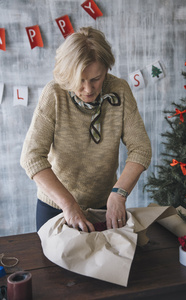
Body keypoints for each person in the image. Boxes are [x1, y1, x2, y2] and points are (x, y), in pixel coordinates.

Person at [20, 26, 152, 232]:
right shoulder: (53, 94)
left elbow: (141, 149)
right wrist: (68, 204)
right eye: (80, 80)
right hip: (56, 207)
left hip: (104, 205)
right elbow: (31, 157)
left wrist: (119, 193)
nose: (88, 89)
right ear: (66, 74)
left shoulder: (120, 90)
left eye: (96, 79)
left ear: (106, 69)